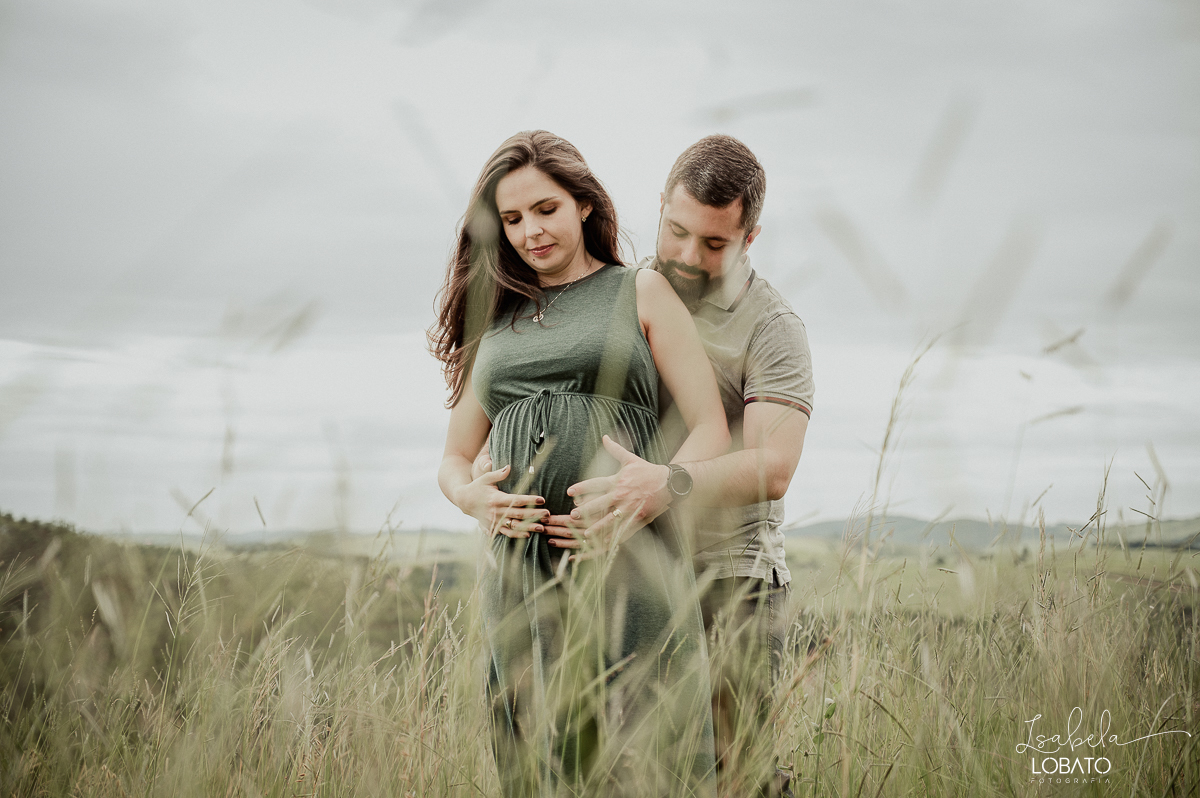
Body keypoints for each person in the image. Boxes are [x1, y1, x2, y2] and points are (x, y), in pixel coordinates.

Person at [431, 130, 731, 797]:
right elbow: (454, 458)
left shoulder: (641, 290)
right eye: (511, 220)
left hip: (629, 562)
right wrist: (472, 498)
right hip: (521, 578)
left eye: (545, 209)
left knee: (645, 755)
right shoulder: (496, 319)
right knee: (540, 759)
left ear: (584, 205)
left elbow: (710, 429)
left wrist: (659, 488)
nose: (529, 231)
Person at [551, 135, 814, 797]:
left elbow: (775, 464)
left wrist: (668, 483)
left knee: (736, 776)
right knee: (625, 769)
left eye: (715, 244)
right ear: (661, 208)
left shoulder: (772, 325)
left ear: (750, 237)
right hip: (629, 573)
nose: (689, 257)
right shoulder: (619, 291)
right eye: (676, 232)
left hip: (731, 582)